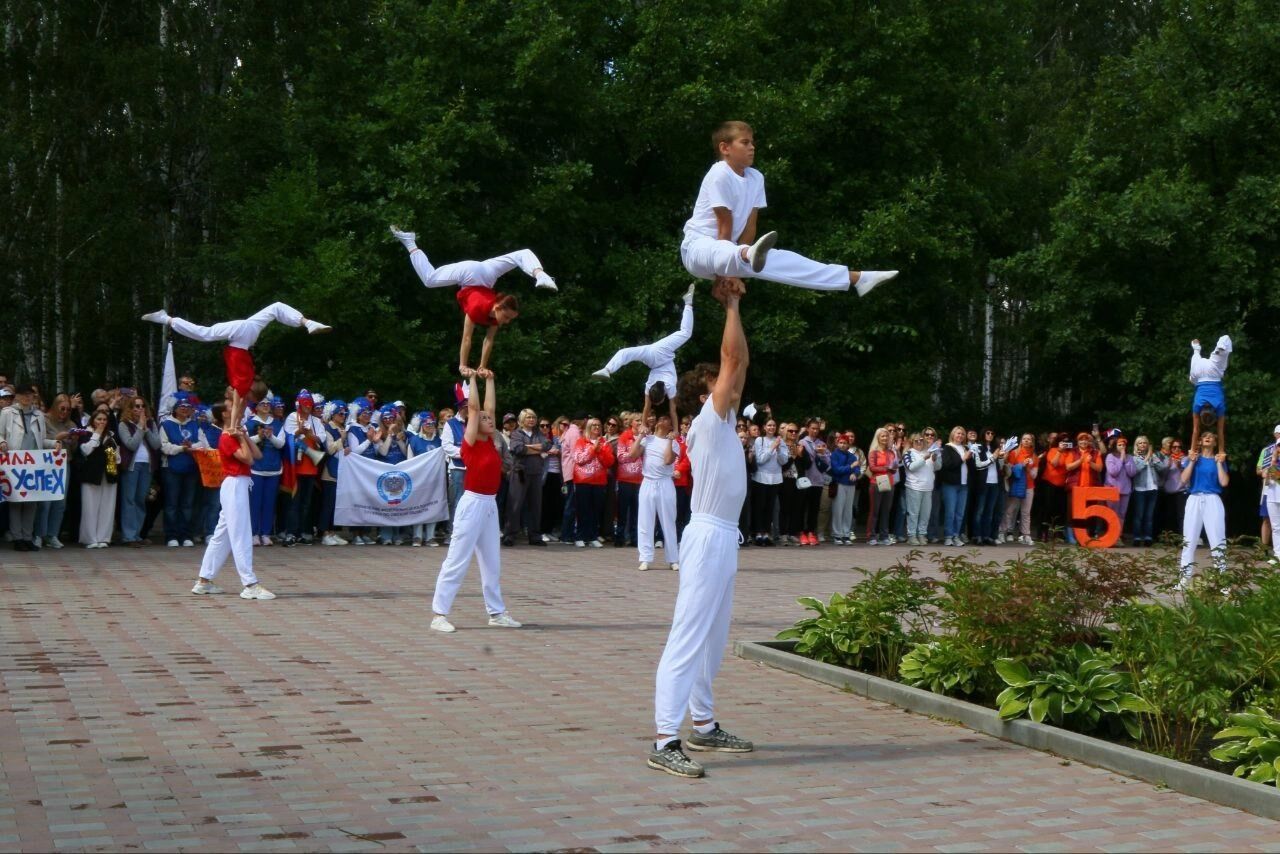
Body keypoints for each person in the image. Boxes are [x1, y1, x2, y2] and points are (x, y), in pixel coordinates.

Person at [650, 276, 753, 780]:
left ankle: (704, 725)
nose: (732, 388)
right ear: (705, 394)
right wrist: (731, 303)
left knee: (713, 638)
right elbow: (732, 363)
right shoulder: (708, 424)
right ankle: (665, 737)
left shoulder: (725, 423)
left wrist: (735, 311)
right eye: (722, 385)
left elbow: (741, 364)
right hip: (708, 535)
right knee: (687, 636)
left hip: (723, 538)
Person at [679, 121, 897, 297]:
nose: (752, 147)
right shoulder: (719, 173)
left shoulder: (756, 178)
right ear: (725, 148)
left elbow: (749, 226)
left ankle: (856, 278)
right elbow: (724, 226)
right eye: (744, 142)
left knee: (783, 260)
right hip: (698, 249)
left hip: (735, 253)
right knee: (734, 252)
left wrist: (736, 267)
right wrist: (723, 275)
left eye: (752, 142)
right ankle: (746, 254)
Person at [389, 226, 556, 375]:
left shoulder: (495, 315)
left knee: (521, 254)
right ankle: (410, 243)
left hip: (487, 274)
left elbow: (489, 340)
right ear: (497, 307)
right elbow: (467, 337)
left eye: (509, 319)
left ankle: (540, 275)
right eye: (506, 317)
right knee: (429, 280)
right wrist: (462, 365)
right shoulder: (477, 308)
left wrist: (482, 366)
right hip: (469, 275)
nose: (506, 322)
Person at [428, 370, 521, 632]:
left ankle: (497, 612)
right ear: (472, 421)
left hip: (489, 504)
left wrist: (490, 379)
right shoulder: (470, 443)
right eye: (482, 418)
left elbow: (488, 406)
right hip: (471, 505)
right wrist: (471, 378)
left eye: (489, 419)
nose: (488, 419)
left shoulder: (491, 441)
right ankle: (439, 614)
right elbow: (476, 407)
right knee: (457, 559)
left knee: (492, 562)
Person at [141, 303, 330, 425]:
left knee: (275, 308)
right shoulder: (242, 384)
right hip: (242, 337)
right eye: (253, 400)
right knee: (204, 334)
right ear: (252, 394)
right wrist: (233, 426)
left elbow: (239, 406)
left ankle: (307, 322)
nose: (251, 403)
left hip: (245, 337)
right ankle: (166, 319)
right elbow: (238, 407)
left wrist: (235, 426)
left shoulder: (247, 380)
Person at [191, 403, 275, 599]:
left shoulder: (235, 434)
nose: (236, 410)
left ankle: (204, 580)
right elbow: (248, 459)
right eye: (230, 409)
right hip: (235, 484)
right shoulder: (227, 437)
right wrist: (239, 438)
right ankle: (250, 583)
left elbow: (258, 454)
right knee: (241, 534)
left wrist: (244, 435)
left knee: (222, 535)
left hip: (239, 484)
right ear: (223, 415)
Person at [593, 286, 696, 426]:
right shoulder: (650, 387)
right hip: (653, 357)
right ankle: (608, 369)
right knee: (626, 353)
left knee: (685, 333)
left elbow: (671, 411)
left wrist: (675, 430)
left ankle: (688, 303)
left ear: (662, 398)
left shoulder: (670, 387)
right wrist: (643, 425)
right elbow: (646, 408)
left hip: (660, 354)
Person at [0, 384, 61, 551]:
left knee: (31, 501)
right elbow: (0, 434)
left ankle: (28, 537)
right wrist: (2, 442)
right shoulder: (7, 413)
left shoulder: (38, 415)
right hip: (15, 462)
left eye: (30, 395)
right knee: (16, 501)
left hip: (34, 463)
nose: (28, 398)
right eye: (24, 395)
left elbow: (41, 440)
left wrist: (54, 443)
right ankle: (17, 537)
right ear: (17, 397)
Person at [1177, 431, 1229, 588]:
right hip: (1194, 499)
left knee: (1218, 540)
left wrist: (1219, 463)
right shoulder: (1192, 458)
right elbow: (1183, 479)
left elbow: (1224, 482)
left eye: (1211, 437)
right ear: (1199, 441)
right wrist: (1191, 461)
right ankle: (1183, 579)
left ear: (1214, 442)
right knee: (1189, 540)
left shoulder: (1219, 459)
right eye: (1205, 437)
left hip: (1213, 499)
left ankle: (1222, 581)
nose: (1208, 438)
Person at [632, 412, 681, 571]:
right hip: (647, 482)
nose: (662, 420)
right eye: (660, 418)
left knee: (668, 522)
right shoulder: (648, 439)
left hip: (665, 483)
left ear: (671, 425)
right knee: (645, 521)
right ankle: (645, 558)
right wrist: (640, 436)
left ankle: (673, 559)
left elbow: (668, 460)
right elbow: (632, 454)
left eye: (666, 418)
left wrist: (670, 440)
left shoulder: (674, 443)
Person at [117, 395, 161, 547]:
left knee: (140, 500)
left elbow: (156, 444)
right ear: (130, 409)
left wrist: (145, 428)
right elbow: (131, 444)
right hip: (131, 466)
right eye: (136, 406)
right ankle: (128, 536)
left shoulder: (151, 422)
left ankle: (137, 534)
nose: (140, 409)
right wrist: (140, 429)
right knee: (129, 499)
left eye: (142, 406)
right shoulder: (123, 424)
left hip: (147, 465)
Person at [36, 393, 79, 549]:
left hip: (64, 464)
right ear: (55, 407)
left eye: (68, 409)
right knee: (45, 502)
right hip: (46, 464)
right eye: (62, 409)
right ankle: (39, 534)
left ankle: (52, 534)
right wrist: (57, 437)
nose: (65, 412)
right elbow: (39, 441)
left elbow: (73, 449)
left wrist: (74, 441)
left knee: (60, 501)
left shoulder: (71, 424)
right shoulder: (44, 420)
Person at [282, 390, 325, 546]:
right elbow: (287, 437)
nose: (307, 406)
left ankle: (302, 532)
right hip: (296, 466)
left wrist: (309, 435)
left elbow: (322, 439)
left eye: (309, 403)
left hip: (310, 467)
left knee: (306, 502)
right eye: (304, 403)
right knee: (294, 501)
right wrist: (299, 431)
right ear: (299, 404)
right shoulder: (292, 417)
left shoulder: (316, 421)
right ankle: (290, 533)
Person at [159, 392, 201, 547]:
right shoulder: (166, 425)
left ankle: (186, 535)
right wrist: (181, 448)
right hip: (171, 468)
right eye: (181, 406)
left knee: (188, 503)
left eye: (187, 407)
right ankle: (171, 535)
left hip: (191, 468)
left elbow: (202, 443)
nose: (185, 409)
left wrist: (192, 447)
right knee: (172, 503)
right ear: (175, 409)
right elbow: (164, 446)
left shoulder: (194, 424)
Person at [77, 409, 120, 548]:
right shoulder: (86, 433)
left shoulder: (111, 435)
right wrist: (96, 435)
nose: (102, 422)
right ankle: (90, 538)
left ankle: (104, 537)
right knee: (90, 507)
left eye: (104, 420)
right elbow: (86, 450)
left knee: (108, 506)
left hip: (109, 472)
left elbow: (117, 456)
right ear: (93, 420)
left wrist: (113, 456)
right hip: (91, 473)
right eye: (99, 419)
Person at [246, 397, 285, 546]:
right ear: (256, 406)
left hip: (273, 468)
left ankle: (266, 533)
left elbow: (281, 444)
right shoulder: (250, 423)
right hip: (256, 469)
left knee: (269, 503)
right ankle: (253, 533)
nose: (266, 406)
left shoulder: (277, 423)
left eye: (268, 404)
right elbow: (245, 441)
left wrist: (270, 436)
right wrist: (259, 436)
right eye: (263, 404)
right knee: (255, 503)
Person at [572, 417, 615, 548]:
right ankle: (580, 536)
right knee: (583, 510)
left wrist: (599, 450)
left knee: (596, 510)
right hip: (583, 481)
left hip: (599, 482)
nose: (596, 428)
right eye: (593, 425)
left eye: (598, 425)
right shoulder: (581, 441)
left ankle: (592, 536)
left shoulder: (605, 443)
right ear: (588, 428)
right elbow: (578, 458)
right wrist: (592, 450)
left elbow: (609, 462)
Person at [1188, 335, 1231, 453]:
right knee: (1192, 378)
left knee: (1226, 338)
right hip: (1198, 374)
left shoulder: (1219, 407)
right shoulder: (1197, 406)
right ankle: (1197, 349)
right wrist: (1192, 450)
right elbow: (1195, 430)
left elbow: (1220, 432)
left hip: (1214, 373)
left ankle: (1220, 348)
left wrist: (1222, 451)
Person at [408, 412, 443, 547]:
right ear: (421, 425)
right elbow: (409, 461)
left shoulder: (439, 441)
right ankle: (417, 536)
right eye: (427, 423)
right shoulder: (414, 440)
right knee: (418, 507)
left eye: (432, 423)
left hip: (435, 479)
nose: (430, 426)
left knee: (433, 506)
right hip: (419, 480)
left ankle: (430, 536)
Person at [750, 419, 788, 546]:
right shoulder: (759, 440)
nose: (771, 427)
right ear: (764, 427)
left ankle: (766, 533)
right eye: (769, 425)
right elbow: (760, 460)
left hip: (775, 478)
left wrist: (778, 450)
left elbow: (783, 461)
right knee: (760, 507)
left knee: (770, 507)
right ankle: (758, 534)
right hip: (761, 478)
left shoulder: (780, 441)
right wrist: (772, 447)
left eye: (773, 425)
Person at [999, 433, 1038, 546]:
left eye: (1029, 439)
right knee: (1009, 510)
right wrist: (1021, 465)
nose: (1026, 441)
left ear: (1032, 442)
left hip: (1029, 486)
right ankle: (1002, 532)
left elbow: (1034, 475)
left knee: (1026, 512)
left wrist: (1029, 468)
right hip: (1016, 485)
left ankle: (1026, 535)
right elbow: (1009, 469)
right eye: (1024, 439)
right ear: (1021, 441)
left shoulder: (1034, 456)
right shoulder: (1014, 453)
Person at [938, 426, 975, 547]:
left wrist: (969, 458)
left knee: (960, 513)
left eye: (962, 434)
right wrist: (963, 458)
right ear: (953, 434)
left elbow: (971, 467)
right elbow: (947, 465)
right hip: (951, 484)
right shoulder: (947, 448)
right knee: (950, 512)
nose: (960, 436)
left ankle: (956, 535)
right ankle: (948, 536)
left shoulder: (965, 448)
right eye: (958, 433)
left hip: (964, 485)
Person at [903, 432, 939, 546]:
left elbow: (938, 467)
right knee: (913, 513)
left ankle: (922, 534)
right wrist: (924, 458)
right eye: (916, 441)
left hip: (928, 488)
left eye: (921, 440)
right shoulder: (908, 453)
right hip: (914, 487)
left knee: (925, 513)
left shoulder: (928, 453)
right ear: (911, 442)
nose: (919, 442)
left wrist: (935, 459)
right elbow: (911, 467)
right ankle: (911, 535)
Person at [866, 427, 898, 546]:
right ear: (878, 438)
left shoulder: (891, 452)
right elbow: (872, 467)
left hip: (889, 482)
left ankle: (884, 536)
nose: (885, 438)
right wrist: (886, 468)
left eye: (886, 436)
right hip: (876, 482)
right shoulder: (873, 452)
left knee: (886, 510)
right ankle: (871, 536)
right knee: (874, 510)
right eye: (882, 436)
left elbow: (894, 470)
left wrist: (893, 468)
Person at [1130, 435, 1164, 548]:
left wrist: (1153, 459)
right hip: (1140, 488)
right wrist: (1146, 460)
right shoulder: (1133, 458)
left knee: (1149, 515)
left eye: (1145, 443)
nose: (1143, 445)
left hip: (1153, 487)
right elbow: (1136, 470)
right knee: (1139, 514)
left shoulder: (1152, 456)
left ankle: (1148, 537)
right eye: (1140, 443)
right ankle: (1137, 537)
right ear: (1137, 445)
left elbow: (1162, 468)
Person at [1104, 432, 1137, 544]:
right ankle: (1111, 536)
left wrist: (1126, 460)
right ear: (1115, 446)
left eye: (1124, 445)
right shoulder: (1110, 456)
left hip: (1125, 490)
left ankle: (1118, 535)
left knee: (1122, 514)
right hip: (1112, 490)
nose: (1122, 447)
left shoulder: (1130, 457)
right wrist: (1121, 459)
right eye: (1119, 445)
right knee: (1112, 513)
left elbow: (1132, 473)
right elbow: (1113, 472)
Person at [829, 432, 862, 545]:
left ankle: (846, 534)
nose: (842, 445)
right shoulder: (834, 455)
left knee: (848, 510)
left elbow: (857, 468)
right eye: (840, 443)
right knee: (838, 510)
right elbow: (837, 470)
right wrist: (850, 467)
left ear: (848, 445)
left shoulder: (852, 456)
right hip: (839, 484)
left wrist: (855, 474)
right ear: (837, 443)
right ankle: (837, 534)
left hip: (851, 485)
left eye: (845, 443)